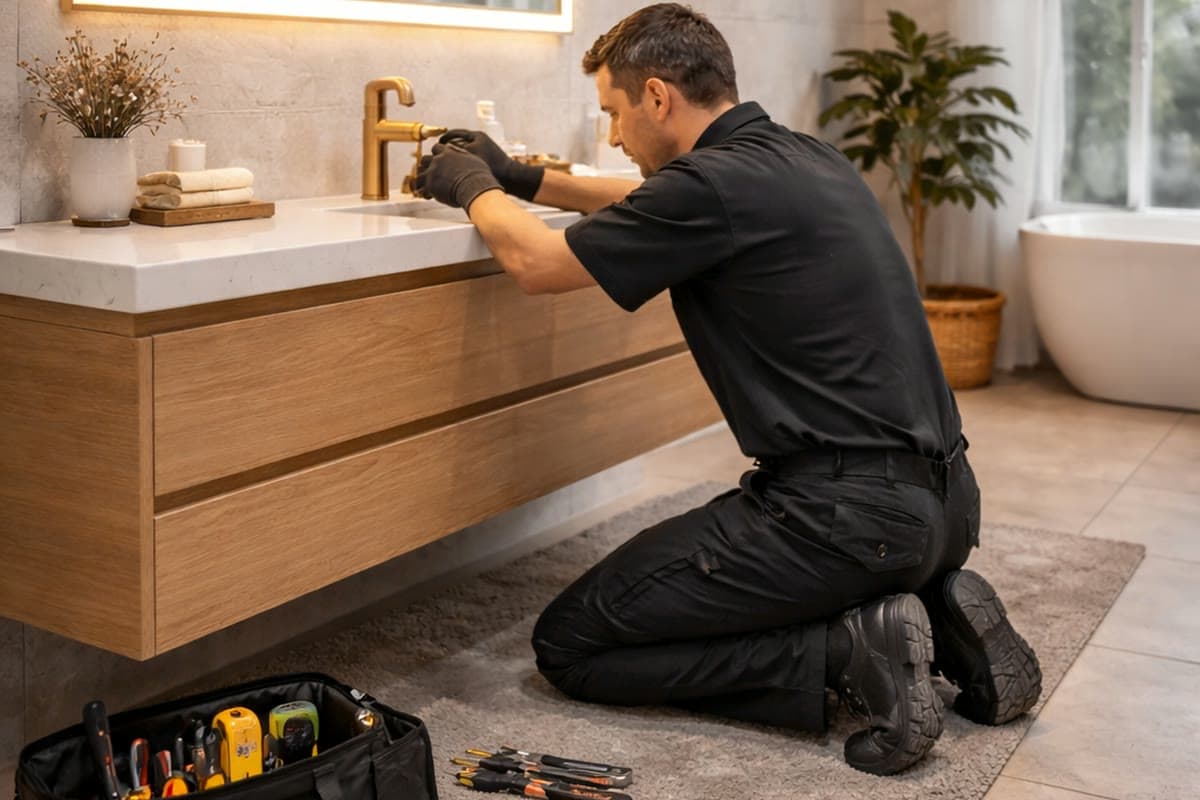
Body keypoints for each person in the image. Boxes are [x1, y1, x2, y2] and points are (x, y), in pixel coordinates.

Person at [413, 2, 1042, 776]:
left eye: (613, 113)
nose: (612, 134)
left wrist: (471, 184)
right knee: (703, 589)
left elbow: (538, 266)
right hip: (946, 506)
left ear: (656, 97)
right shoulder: (804, 157)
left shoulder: (709, 185)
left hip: (845, 518)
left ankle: (847, 650)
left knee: (572, 642)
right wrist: (522, 177)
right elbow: (645, 203)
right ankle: (937, 616)